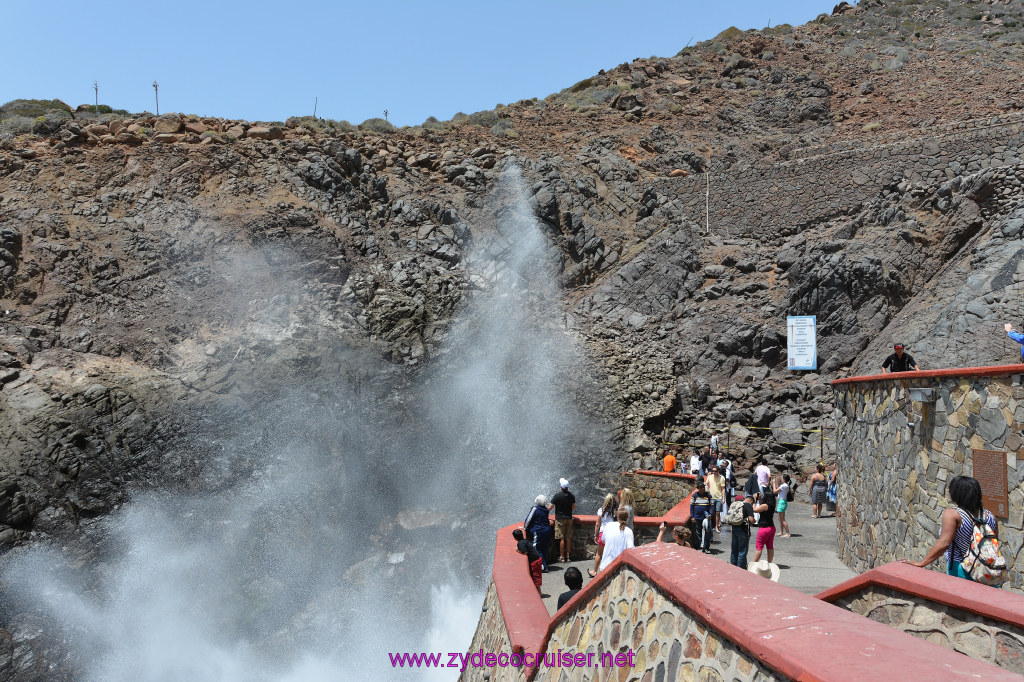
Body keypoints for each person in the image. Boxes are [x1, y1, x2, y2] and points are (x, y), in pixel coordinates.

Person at [903, 476, 998, 580]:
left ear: (957, 494)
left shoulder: (953, 515)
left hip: (962, 570)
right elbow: (993, 544)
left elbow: (944, 543)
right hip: (985, 571)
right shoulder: (991, 516)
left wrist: (922, 563)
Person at [589, 494, 618, 578]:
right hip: (613, 534)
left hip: (603, 533)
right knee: (612, 553)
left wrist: (596, 534)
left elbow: (597, 524)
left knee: (599, 553)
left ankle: (595, 571)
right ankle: (612, 570)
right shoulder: (616, 511)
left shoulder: (601, 510)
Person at [549, 478, 576, 562]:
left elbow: (550, 507)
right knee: (568, 538)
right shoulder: (571, 495)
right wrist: (570, 512)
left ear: (561, 486)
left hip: (560, 519)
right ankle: (568, 556)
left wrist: (544, 514)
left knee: (561, 538)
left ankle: (561, 557)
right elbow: (574, 506)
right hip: (569, 518)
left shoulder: (557, 495)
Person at [524, 495, 552, 572]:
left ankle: (543, 567)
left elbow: (528, 519)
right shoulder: (545, 510)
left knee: (536, 549)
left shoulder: (535, 509)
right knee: (544, 548)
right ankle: (544, 563)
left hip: (538, 531)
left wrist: (524, 529)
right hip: (547, 530)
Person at [727, 493, 756, 569]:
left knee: (734, 550)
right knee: (742, 551)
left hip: (734, 528)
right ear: (751, 501)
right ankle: (740, 569)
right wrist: (754, 520)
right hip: (743, 530)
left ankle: (733, 567)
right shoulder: (747, 505)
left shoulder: (735, 504)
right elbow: (751, 520)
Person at [751, 488, 777, 566]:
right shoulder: (772, 505)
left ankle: (753, 564)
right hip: (771, 527)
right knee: (770, 546)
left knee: (759, 547)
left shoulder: (765, 506)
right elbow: (762, 506)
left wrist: (754, 500)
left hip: (764, 529)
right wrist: (759, 498)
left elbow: (755, 510)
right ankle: (769, 563)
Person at [689, 480, 715, 553]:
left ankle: (707, 547)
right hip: (697, 517)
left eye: (703, 487)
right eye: (701, 487)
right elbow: (691, 507)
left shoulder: (709, 496)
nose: (702, 489)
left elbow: (712, 506)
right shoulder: (694, 496)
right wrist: (692, 516)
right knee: (698, 532)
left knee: (707, 532)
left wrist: (711, 514)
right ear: (698, 488)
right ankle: (701, 546)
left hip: (706, 518)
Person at [705, 466, 727, 533]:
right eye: (712, 471)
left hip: (719, 497)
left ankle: (717, 527)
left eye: (715, 471)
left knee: (717, 512)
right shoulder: (710, 477)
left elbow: (723, 489)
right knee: (712, 513)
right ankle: (713, 525)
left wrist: (723, 498)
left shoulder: (721, 478)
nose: (713, 472)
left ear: (718, 471)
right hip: (711, 497)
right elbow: (706, 484)